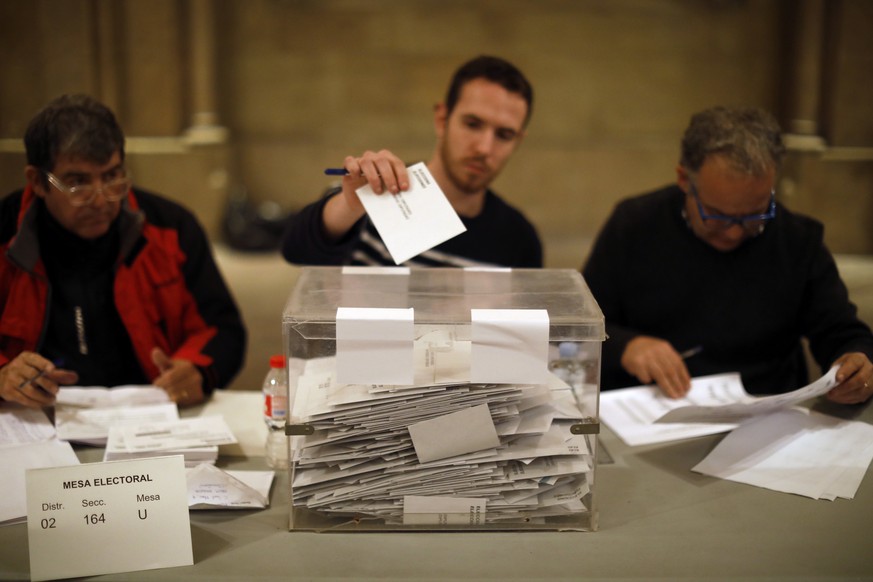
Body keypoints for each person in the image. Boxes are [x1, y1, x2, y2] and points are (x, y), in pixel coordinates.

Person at [583, 106, 873, 404]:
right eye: (718, 216)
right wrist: (627, 346)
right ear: (685, 180)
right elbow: (578, 327)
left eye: (755, 215)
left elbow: (843, 332)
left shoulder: (797, 240)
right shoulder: (635, 224)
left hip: (766, 411)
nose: (734, 233)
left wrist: (856, 361)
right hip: (652, 409)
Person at [0, 94, 246, 408]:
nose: (102, 201)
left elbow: (223, 329)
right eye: (78, 183)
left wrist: (197, 369)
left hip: (147, 416)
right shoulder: (5, 233)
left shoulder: (170, 227)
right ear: (37, 181)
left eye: (112, 177)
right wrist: (3, 373)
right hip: (34, 421)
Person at [282, 55, 542, 268]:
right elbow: (296, 250)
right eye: (472, 124)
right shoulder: (371, 192)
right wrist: (350, 204)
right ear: (442, 120)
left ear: (518, 141)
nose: (485, 148)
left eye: (504, 135)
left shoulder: (519, 240)